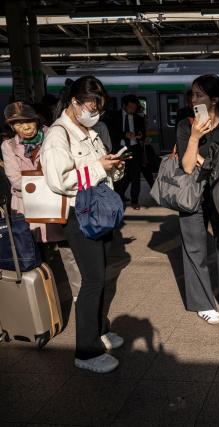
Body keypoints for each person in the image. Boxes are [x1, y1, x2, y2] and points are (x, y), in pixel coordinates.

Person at [41, 76, 126, 374]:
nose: (95, 111)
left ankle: (100, 330)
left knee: (101, 275)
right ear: (73, 102)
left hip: (97, 211)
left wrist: (112, 167)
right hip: (79, 216)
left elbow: (97, 169)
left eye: (99, 106)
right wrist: (97, 167)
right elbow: (59, 180)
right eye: (91, 105)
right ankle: (86, 352)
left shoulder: (88, 131)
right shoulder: (57, 135)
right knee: (92, 282)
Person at [177, 74, 219, 323]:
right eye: (192, 94)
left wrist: (206, 162)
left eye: (198, 95)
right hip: (192, 192)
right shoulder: (186, 124)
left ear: (214, 99)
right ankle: (202, 303)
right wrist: (195, 137)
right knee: (195, 247)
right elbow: (186, 165)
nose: (192, 99)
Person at [2, 102, 82, 299]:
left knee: (68, 253)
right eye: (18, 124)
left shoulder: (54, 135)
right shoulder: (8, 145)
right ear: (12, 127)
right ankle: (44, 300)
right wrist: (51, 180)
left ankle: (80, 297)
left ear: (36, 119)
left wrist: (38, 182)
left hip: (56, 205)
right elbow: (15, 179)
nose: (26, 127)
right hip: (26, 209)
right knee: (33, 257)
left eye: (28, 121)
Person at [107, 94, 146, 209]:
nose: (133, 110)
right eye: (130, 107)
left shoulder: (139, 118)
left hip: (134, 150)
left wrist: (140, 135)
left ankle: (135, 201)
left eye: (134, 108)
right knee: (119, 176)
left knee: (135, 177)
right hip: (120, 150)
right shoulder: (114, 116)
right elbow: (111, 132)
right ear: (124, 105)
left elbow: (143, 133)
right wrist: (125, 134)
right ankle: (119, 198)